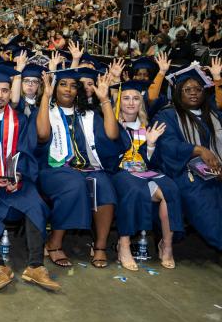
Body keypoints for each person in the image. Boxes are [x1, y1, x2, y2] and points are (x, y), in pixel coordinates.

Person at [0, 66, 58, 292]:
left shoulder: (19, 120)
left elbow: (26, 151)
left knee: (35, 202)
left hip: (12, 179)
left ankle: (35, 266)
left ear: (10, 93)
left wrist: (18, 174)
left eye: (5, 90)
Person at [36, 68, 128, 269]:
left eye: (73, 85)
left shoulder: (89, 115)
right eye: (63, 84)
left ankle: (100, 246)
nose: (68, 89)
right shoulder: (47, 111)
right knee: (74, 183)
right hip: (54, 169)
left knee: (104, 185)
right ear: (54, 87)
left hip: (87, 168)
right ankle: (55, 242)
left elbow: (113, 135)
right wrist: (46, 96)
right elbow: (42, 135)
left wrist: (104, 100)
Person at [110, 80, 183, 271]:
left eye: (135, 98)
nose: (131, 103)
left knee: (171, 189)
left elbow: (154, 162)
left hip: (145, 172)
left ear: (141, 103)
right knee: (133, 188)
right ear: (119, 102)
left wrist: (150, 144)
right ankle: (123, 245)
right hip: (121, 172)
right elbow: (108, 154)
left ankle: (166, 245)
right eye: (126, 98)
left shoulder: (147, 126)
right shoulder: (111, 124)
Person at [153, 66, 222, 251]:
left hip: (217, 170)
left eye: (198, 89)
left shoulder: (214, 114)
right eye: (188, 89)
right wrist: (198, 150)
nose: (194, 93)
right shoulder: (167, 115)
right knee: (205, 197)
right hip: (185, 172)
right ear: (178, 93)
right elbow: (168, 145)